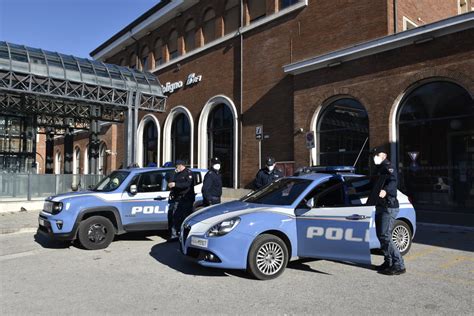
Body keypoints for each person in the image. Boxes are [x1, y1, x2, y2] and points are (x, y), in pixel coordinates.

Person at [372, 147, 406, 275]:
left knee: (385, 235)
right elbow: (373, 184)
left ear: (384, 155)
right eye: (374, 155)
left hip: (389, 206)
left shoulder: (388, 166)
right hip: (380, 206)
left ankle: (399, 264)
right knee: (381, 235)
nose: (375, 157)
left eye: (377, 154)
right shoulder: (378, 168)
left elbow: (393, 181)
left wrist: (385, 190)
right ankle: (388, 261)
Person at [167, 160, 195, 241]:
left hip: (186, 198)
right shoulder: (176, 173)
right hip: (178, 198)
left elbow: (187, 185)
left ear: (180, 165)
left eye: (177, 166)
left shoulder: (188, 173)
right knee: (175, 216)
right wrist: (173, 173)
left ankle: (186, 235)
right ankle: (174, 235)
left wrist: (176, 185)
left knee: (186, 217)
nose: (176, 168)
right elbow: (171, 181)